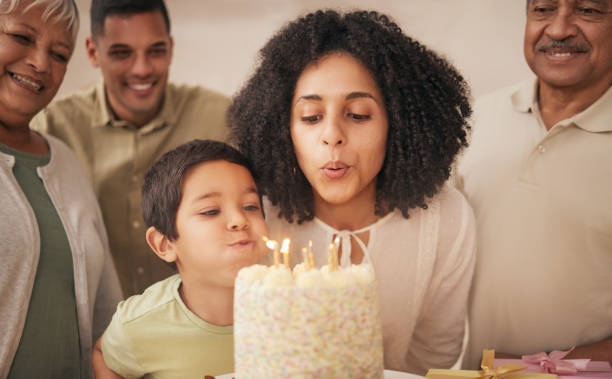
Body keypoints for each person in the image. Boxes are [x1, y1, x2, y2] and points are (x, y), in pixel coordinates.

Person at [229, 10, 476, 375]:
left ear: (400, 124)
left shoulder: (446, 219)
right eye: (311, 117)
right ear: (283, 127)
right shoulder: (257, 215)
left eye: (358, 114)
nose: (332, 135)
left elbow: (433, 356)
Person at [31, 0, 231, 297]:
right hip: (98, 333)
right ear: (92, 52)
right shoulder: (51, 127)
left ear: (171, 49)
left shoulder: (221, 119)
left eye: (156, 51)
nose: (142, 68)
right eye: (122, 53)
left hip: (201, 324)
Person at [456, 0, 612, 368]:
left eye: (587, 10)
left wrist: (542, 370)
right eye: (543, 9)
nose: (558, 30)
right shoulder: (473, 121)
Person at [0, 0, 122, 378]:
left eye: (59, 54)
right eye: (21, 36)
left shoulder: (66, 162)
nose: (40, 63)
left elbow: (107, 308)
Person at [91, 139, 269, 378]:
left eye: (250, 206)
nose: (239, 219)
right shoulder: (140, 324)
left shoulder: (293, 305)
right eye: (210, 211)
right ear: (164, 244)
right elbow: (104, 355)